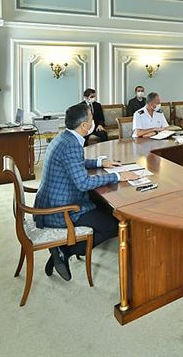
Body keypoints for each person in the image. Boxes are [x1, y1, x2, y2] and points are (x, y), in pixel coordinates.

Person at [34, 103, 138, 281]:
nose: (94, 121)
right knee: (114, 226)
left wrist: (99, 163)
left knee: (105, 207)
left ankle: (64, 249)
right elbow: (83, 183)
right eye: (91, 119)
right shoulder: (72, 145)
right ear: (84, 126)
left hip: (52, 198)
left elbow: (74, 162)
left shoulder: (66, 137)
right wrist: (117, 176)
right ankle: (65, 250)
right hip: (62, 208)